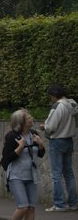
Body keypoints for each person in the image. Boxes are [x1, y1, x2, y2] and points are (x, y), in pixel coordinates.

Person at [0, 109, 45, 220]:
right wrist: (20, 147)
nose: (31, 119)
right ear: (21, 122)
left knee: (31, 208)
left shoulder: (34, 134)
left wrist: (40, 144)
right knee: (23, 207)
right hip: (16, 176)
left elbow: (40, 154)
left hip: (31, 175)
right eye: (28, 118)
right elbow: (7, 157)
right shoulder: (12, 136)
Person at [40, 84, 78, 212]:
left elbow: (51, 126)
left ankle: (60, 204)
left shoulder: (58, 106)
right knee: (69, 173)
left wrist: (43, 126)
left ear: (54, 95)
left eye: (50, 96)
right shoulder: (72, 105)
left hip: (57, 141)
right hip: (69, 140)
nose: (50, 98)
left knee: (56, 174)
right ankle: (73, 203)